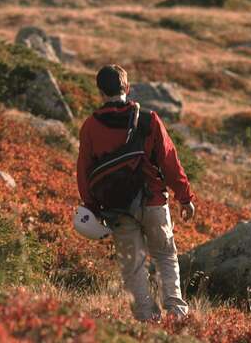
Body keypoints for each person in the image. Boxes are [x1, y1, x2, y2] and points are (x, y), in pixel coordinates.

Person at [76, 64, 196, 322]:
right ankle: (176, 312)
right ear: (127, 88)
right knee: (165, 255)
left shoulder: (90, 127)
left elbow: (84, 172)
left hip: (117, 208)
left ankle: (146, 320)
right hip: (153, 200)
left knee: (134, 267)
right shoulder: (149, 119)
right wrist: (184, 197)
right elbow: (169, 161)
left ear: (99, 92)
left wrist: (92, 207)